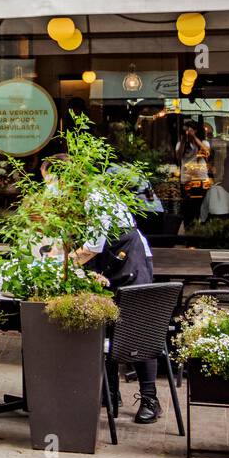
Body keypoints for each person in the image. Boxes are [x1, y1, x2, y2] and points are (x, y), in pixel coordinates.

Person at [45, 156, 160, 424]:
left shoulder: (95, 199)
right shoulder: (72, 203)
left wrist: (57, 265)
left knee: (137, 326)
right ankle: (110, 394)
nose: (48, 186)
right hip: (106, 262)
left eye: (50, 179)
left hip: (131, 257)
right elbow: (68, 240)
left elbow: (91, 247)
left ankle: (150, 399)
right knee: (104, 322)